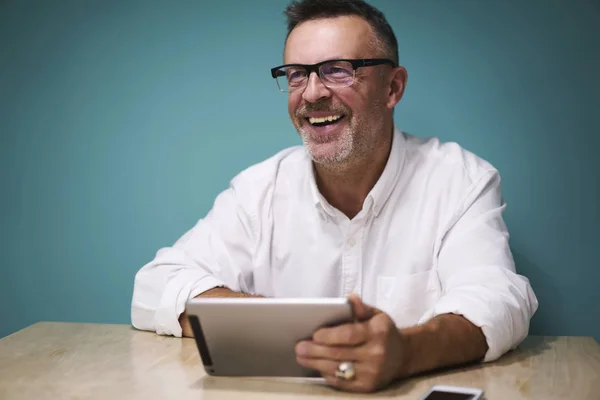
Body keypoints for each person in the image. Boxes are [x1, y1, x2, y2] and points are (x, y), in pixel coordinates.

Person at [131, 0, 538, 393]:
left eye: (337, 71)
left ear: (392, 87)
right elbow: (155, 285)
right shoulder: (258, 190)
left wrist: (406, 352)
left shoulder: (460, 181)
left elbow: (498, 300)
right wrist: (268, 320)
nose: (310, 94)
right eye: (296, 74)